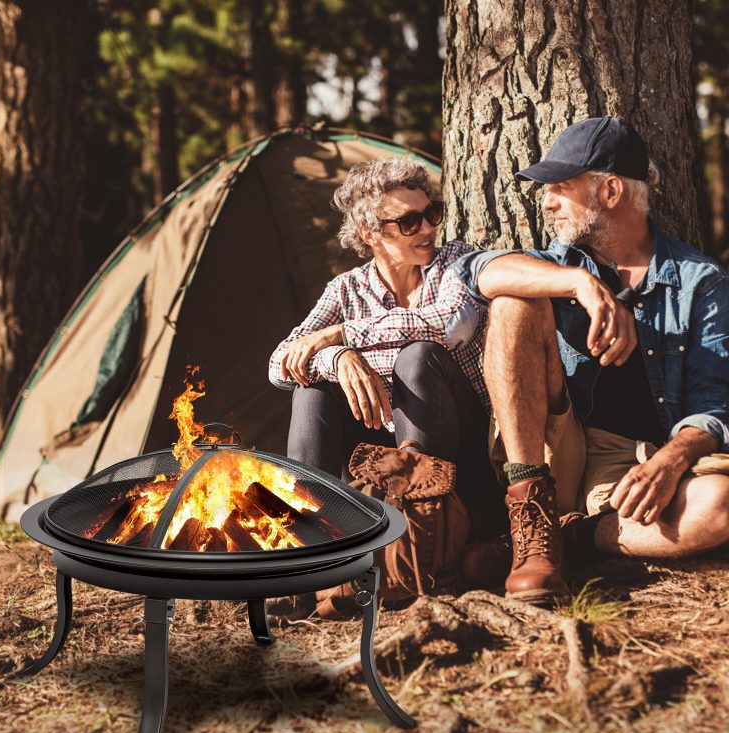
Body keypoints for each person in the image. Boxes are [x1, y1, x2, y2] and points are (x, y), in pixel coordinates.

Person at [452, 116, 729, 606]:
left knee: (720, 507)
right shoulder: (557, 267)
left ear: (612, 191)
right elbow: (472, 272)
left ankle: (572, 539)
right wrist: (582, 286)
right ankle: (531, 520)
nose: (547, 200)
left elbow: (715, 399)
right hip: (557, 449)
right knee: (514, 301)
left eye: (560, 186)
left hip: (637, 464)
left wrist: (674, 456)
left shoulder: (699, 281)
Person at [268, 156, 507, 576]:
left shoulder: (454, 262)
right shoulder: (346, 289)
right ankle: (305, 552)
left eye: (431, 214)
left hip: (462, 460)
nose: (429, 229)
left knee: (418, 357)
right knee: (313, 389)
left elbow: (448, 327)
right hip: (378, 466)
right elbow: (280, 363)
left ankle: (421, 537)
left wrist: (343, 336)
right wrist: (337, 358)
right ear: (370, 234)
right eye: (409, 222)